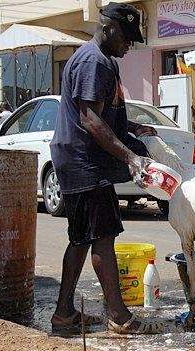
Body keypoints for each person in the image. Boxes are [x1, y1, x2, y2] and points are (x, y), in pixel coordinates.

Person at [49, 2, 164, 335]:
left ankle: (64, 314)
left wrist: (134, 127)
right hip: (83, 161)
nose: (129, 45)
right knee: (102, 236)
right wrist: (131, 157)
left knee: (82, 238)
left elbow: (104, 113)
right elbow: (89, 118)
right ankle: (119, 316)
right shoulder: (93, 62)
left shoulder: (104, 62)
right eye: (127, 37)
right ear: (110, 28)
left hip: (80, 159)